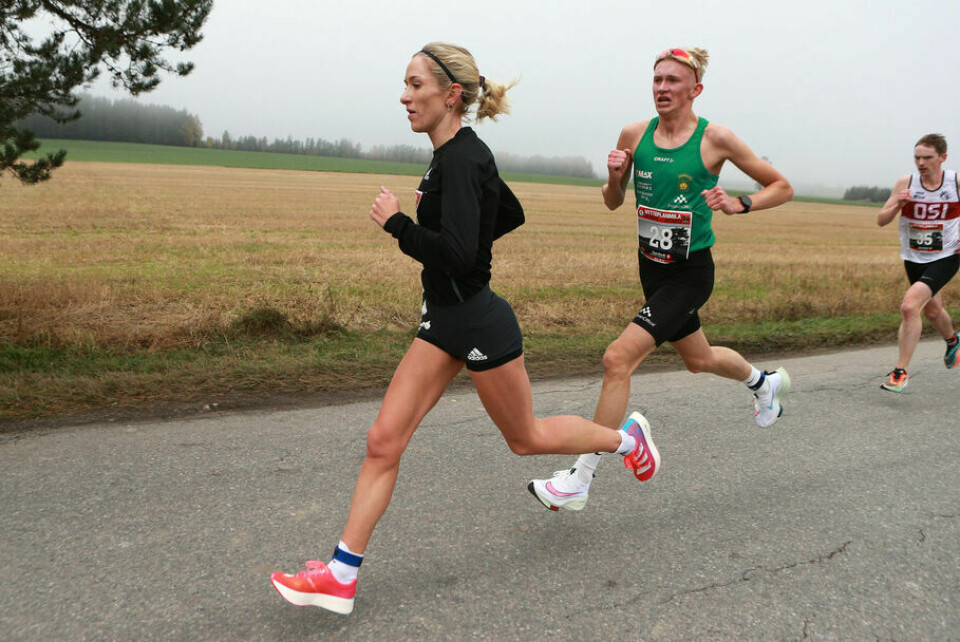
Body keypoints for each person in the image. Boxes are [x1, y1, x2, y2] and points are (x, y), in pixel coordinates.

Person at [269, 42, 660, 615]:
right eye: (404, 85)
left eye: (415, 85)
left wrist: (398, 224)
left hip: (477, 320)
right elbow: (507, 213)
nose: (404, 97)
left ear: (451, 94)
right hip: (442, 321)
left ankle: (626, 440)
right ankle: (340, 575)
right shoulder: (453, 154)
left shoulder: (461, 158)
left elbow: (456, 254)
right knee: (383, 441)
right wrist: (467, 241)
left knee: (526, 438)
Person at [528, 47, 794, 512]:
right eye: (657, 79)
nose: (662, 88)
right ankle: (762, 383)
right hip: (651, 268)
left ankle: (581, 479)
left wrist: (740, 204)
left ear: (696, 89)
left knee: (617, 359)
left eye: (673, 81)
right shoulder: (635, 134)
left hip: (690, 273)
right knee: (699, 359)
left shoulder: (716, 139)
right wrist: (615, 177)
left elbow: (782, 186)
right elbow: (613, 201)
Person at [876, 133, 960, 392]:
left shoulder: (955, 182)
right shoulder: (906, 183)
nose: (921, 163)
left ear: (942, 157)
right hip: (914, 257)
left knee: (909, 306)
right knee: (932, 311)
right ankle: (953, 341)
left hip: (947, 256)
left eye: (927, 157)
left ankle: (900, 372)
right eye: (917, 158)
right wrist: (899, 205)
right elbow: (881, 220)